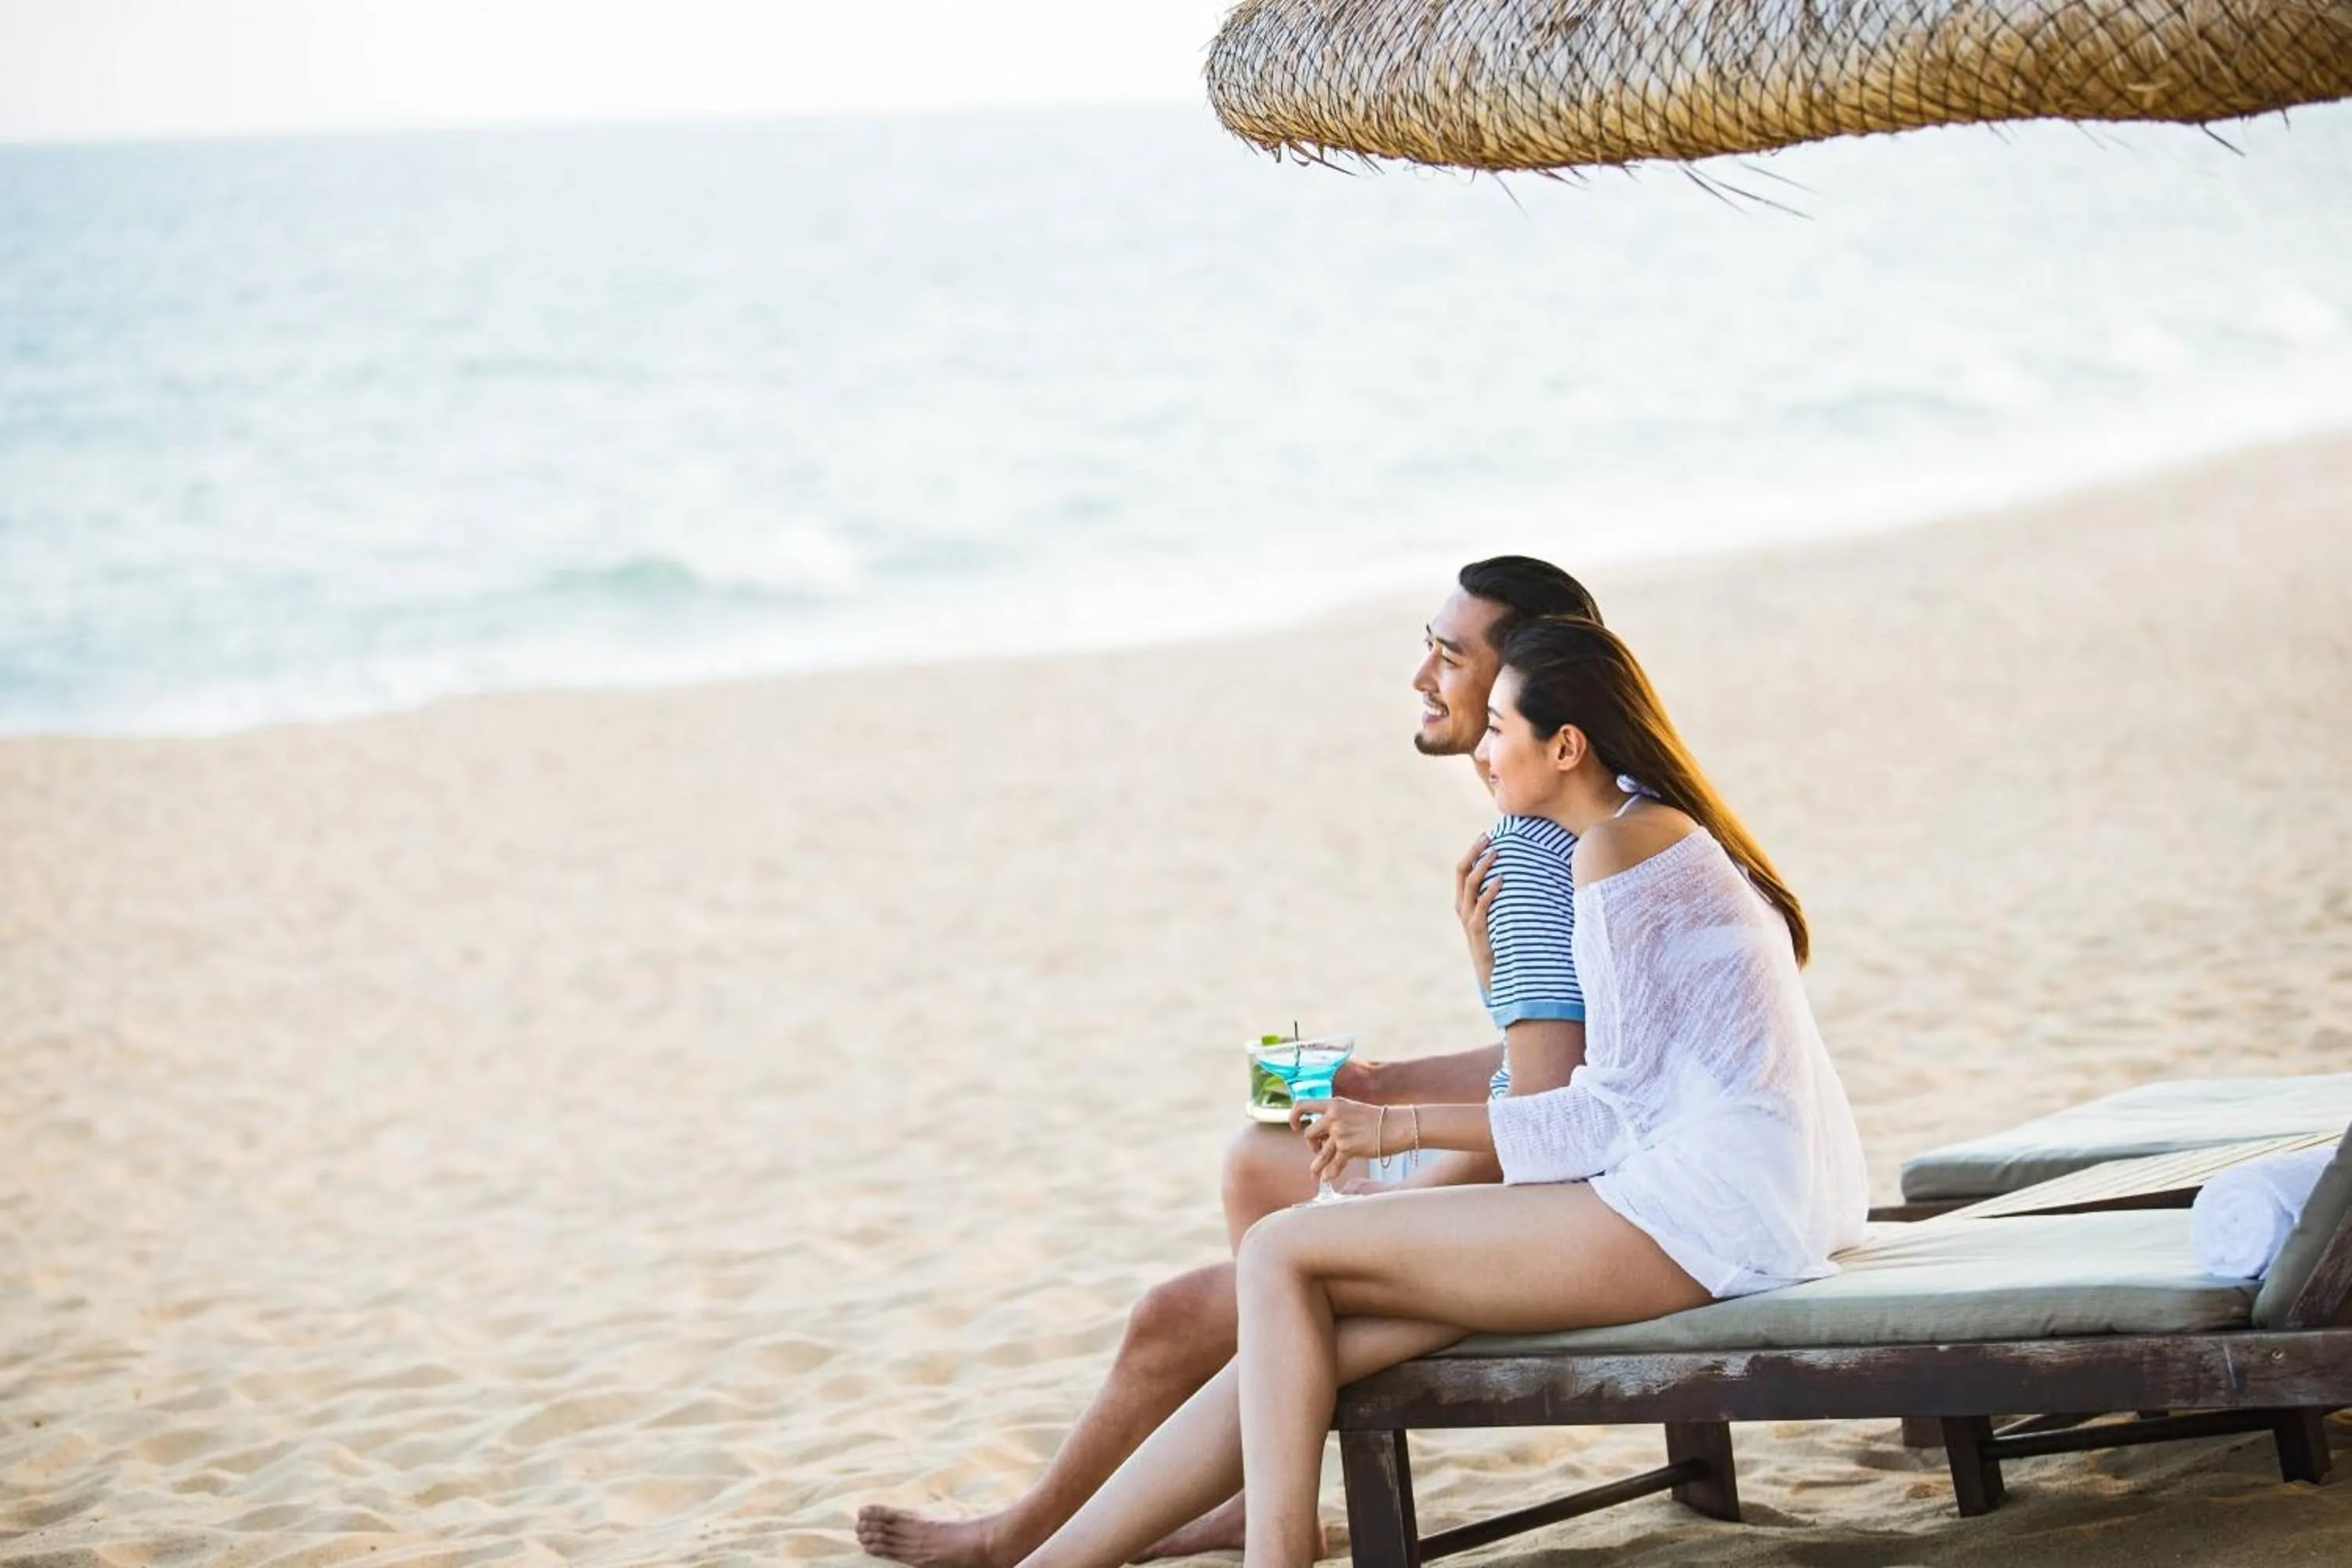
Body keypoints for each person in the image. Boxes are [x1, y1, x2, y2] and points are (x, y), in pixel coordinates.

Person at [1007, 616, 1870, 1568]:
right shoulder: (1651, 825)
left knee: (1282, 1248)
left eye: (1500, 728)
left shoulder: (1613, 853)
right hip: (1726, 1200)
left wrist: (1391, 1126)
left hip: (1697, 1213)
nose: (1486, 752)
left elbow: (1600, 1112)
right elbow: (1622, 1087)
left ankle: (1274, 1552)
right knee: (1310, 1338)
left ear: (1566, 744)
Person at [856, 557, 1602, 1567]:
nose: (1421, 676)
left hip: (1568, 1199)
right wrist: (1384, 1083)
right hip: (1569, 1150)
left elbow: (1560, 1097)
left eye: (1448, 655)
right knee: (1260, 1155)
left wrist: (1405, 1130)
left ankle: (1018, 1537)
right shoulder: (1570, 816)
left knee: (1175, 1315)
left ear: (1525, 685)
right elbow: (1575, 1044)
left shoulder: (1536, 850)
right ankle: (1245, 1487)